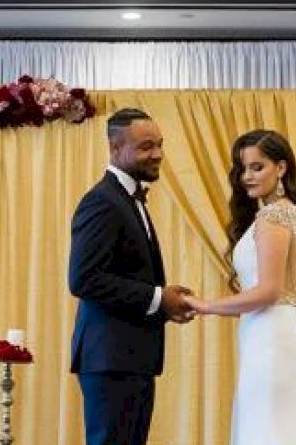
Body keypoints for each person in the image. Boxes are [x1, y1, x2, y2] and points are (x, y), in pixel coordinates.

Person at [67, 108, 198, 445]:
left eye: (160, 145)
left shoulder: (127, 198)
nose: (157, 154)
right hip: (111, 359)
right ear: (114, 148)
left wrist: (162, 299)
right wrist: (158, 298)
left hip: (128, 358)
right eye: (145, 147)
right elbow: (83, 279)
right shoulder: (102, 201)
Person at [190, 129, 296, 445]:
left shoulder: (274, 215)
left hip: (271, 339)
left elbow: (268, 292)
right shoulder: (285, 212)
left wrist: (205, 305)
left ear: (282, 167)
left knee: (267, 430)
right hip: (271, 335)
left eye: (257, 167)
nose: (247, 176)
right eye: (242, 168)